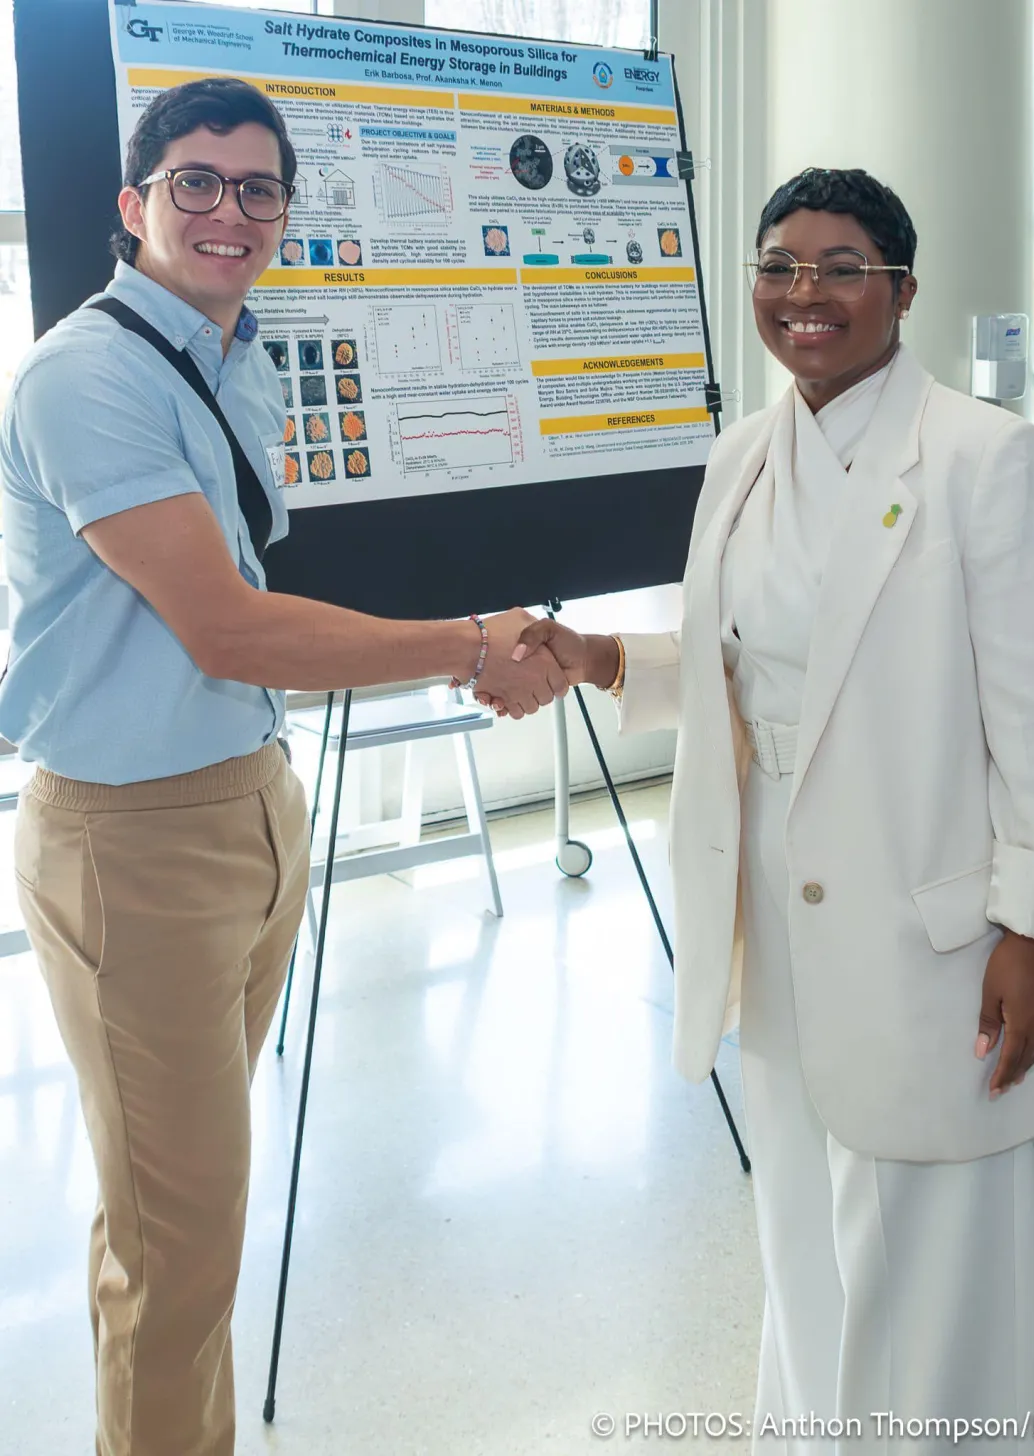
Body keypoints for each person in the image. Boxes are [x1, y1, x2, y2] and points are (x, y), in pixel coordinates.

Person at [0, 78, 563, 1456]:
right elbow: (228, 619)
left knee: (183, 1209)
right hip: (134, 838)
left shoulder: (226, 349)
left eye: (258, 189)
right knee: (176, 1245)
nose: (230, 212)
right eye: (196, 182)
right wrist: (474, 638)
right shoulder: (86, 375)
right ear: (133, 208)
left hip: (250, 798)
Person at [499, 169, 1034, 1451]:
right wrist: (601, 657)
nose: (802, 293)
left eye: (839, 267)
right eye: (777, 266)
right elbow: (743, 671)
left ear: (901, 291)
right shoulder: (742, 454)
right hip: (769, 899)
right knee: (807, 1244)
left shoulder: (982, 458)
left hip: (936, 919)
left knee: (938, 1255)